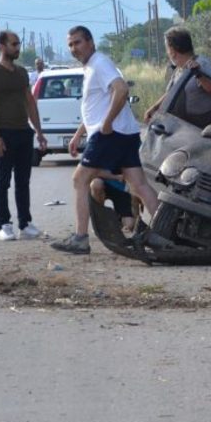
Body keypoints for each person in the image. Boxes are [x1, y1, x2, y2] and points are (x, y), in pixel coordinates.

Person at [51, 26, 160, 255]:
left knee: (79, 179)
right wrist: (79, 134)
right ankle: (165, 233)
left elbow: (120, 90)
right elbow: (98, 106)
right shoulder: (93, 66)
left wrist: (108, 123)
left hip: (110, 134)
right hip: (126, 133)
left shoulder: (100, 63)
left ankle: (80, 238)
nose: (74, 48)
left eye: (78, 42)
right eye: (70, 44)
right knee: (139, 184)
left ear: (90, 42)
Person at [0, 31, 48, 241]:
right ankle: (4, 225)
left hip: (23, 133)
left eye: (18, 44)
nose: (17, 48)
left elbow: (30, 102)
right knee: (3, 181)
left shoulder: (21, 73)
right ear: (1, 46)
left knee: (23, 181)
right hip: (4, 134)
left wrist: (38, 131)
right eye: (13, 44)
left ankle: (25, 224)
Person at [145, 26, 211, 129]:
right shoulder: (179, 68)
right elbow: (171, 93)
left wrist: (199, 75)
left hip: (201, 133)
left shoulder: (202, 63)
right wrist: (154, 108)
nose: (167, 52)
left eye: (167, 48)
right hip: (181, 131)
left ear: (172, 50)